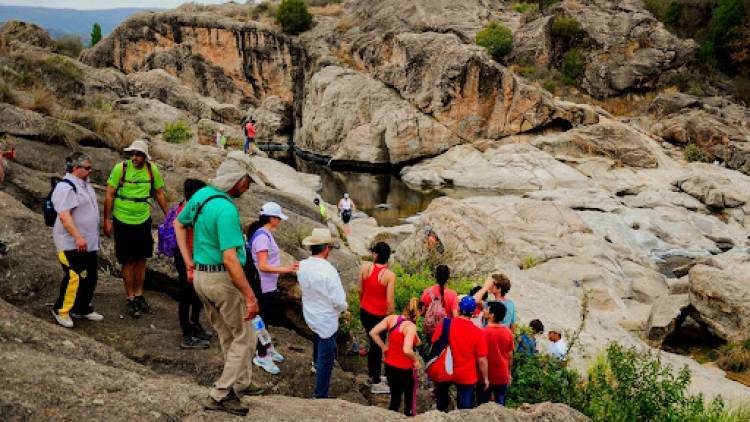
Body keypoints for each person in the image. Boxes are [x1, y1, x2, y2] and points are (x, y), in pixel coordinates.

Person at [174, 152, 263, 416]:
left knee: (227, 334)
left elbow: (179, 224)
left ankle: (242, 383)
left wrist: (189, 261)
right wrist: (250, 296)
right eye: (247, 181)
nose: (248, 187)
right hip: (222, 280)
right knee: (246, 337)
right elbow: (231, 260)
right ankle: (220, 394)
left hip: (201, 277)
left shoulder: (201, 195)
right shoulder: (226, 209)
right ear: (237, 179)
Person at [103, 139, 168, 318]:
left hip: (143, 220)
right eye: (133, 154)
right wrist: (107, 219)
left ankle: (139, 294)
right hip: (122, 220)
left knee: (141, 259)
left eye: (138, 154)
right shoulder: (120, 169)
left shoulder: (151, 170)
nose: (135, 157)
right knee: (127, 260)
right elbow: (109, 194)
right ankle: (129, 297)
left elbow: (160, 193)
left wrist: (169, 216)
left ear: (145, 157)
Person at [50, 152, 103, 328]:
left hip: (88, 242)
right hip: (71, 242)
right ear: (75, 168)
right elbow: (65, 216)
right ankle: (61, 310)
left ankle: (82, 308)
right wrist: (78, 237)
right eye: (87, 168)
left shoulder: (84, 185)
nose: (90, 171)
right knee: (74, 276)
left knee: (90, 277)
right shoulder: (65, 187)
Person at [246, 202, 298, 374]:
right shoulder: (262, 237)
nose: (280, 221)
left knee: (265, 319)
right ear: (272, 218)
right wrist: (286, 269)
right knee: (261, 320)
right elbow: (263, 265)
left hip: (267, 285)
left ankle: (267, 348)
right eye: (278, 218)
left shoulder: (265, 233)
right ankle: (261, 356)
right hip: (261, 285)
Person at [296, 228, 347, 399]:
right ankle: (320, 395)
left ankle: (314, 363)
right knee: (327, 358)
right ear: (326, 248)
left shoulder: (302, 265)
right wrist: (342, 309)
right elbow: (339, 301)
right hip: (326, 319)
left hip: (310, 313)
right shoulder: (329, 271)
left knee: (316, 336)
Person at [173, 179, 212, 349]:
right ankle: (186, 334)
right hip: (186, 257)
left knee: (198, 293)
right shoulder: (186, 211)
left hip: (197, 256)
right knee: (186, 295)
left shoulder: (194, 208)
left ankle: (194, 323)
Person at [432, 295, 488, 411]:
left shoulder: (445, 324)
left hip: (445, 370)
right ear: (473, 313)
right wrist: (485, 378)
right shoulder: (478, 333)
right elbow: (482, 360)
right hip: (466, 374)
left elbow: (435, 344)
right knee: (465, 409)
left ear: (458, 308)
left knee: (441, 405)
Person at [369, 298, 423, 416]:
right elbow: (407, 349)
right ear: (418, 312)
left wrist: (384, 347)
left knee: (394, 400)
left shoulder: (392, 318)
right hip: (405, 370)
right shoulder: (410, 327)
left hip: (390, 367)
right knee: (409, 404)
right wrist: (416, 360)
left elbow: (373, 332)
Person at [359, 242, 396, 394]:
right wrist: (392, 317)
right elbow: (389, 301)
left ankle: (373, 376)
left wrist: (363, 303)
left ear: (375, 255)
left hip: (365, 311)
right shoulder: (389, 275)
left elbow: (360, 290)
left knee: (372, 343)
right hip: (379, 315)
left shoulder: (365, 268)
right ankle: (375, 381)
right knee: (377, 346)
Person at [479, 301, 514, 406]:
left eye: (486, 309)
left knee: (483, 406)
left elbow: (481, 357)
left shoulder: (483, 333)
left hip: (486, 376)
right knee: (500, 406)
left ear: (492, 315)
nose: (484, 311)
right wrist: (509, 373)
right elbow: (510, 355)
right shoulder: (508, 332)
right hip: (502, 375)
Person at [420, 264, 459, 342]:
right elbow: (456, 317)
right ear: (448, 278)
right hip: (445, 332)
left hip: (430, 331)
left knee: (432, 350)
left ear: (435, 277)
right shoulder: (452, 294)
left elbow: (422, 312)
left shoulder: (427, 292)